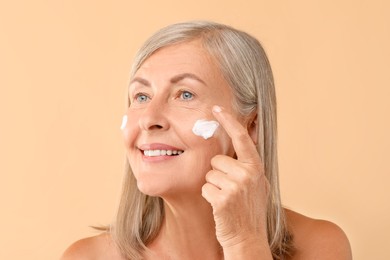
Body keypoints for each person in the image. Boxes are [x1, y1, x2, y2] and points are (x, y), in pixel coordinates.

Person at [61, 21, 352, 259]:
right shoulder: (86, 257)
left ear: (250, 126)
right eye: (141, 96)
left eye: (185, 94)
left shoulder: (319, 247)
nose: (150, 118)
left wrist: (245, 244)